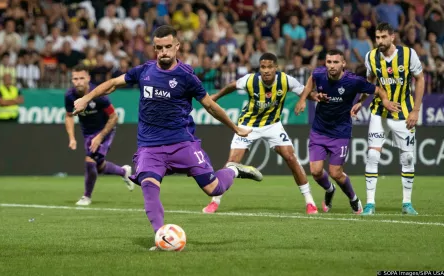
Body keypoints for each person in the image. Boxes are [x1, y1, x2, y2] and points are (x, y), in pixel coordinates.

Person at [72, 25, 263, 249]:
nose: (164, 51)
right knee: (149, 189)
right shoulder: (144, 71)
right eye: (159, 48)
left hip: (182, 143)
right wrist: (87, 98)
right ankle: (162, 238)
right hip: (150, 147)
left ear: (177, 47)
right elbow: (113, 83)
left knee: (214, 189)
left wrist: (235, 128)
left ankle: (233, 169)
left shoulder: (186, 76)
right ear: (154, 48)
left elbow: (210, 106)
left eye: (168, 47)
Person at [202, 52, 322, 215]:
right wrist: (216, 96)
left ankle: (310, 202)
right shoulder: (250, 80)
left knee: (291, 157)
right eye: (263, 67)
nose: (266, 70)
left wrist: (317, 97)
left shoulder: (286, 80)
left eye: (269, 67)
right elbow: (231, 85)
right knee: (231, 163)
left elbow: (305, 92)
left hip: (273, 125)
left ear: (276, 68)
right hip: (248, 125)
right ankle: (214, 202)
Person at [295, 49, 400, 214]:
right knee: (315, 172)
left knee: (336, 173)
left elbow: (378, 90)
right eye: (329, 62)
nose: (331, 66)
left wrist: (385, 101)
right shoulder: (319, 74)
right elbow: (311, 80)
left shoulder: (353, 81)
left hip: (340, 132)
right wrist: (303, 100)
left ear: (343, 64)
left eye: (336, 62)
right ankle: (330, 190)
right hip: (319, 130)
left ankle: (353, 198)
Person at [356, 22, 425, 215]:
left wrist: (416, 110)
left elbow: (420, 79)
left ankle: (407, 203)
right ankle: (370, 203)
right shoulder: (371, 57)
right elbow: (369, 82)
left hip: (404, 113)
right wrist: (360, 101)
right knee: (372, 155)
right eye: (377, 37)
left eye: (383, 37)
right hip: (379, 112)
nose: (379, 41)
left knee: (408, 157)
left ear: (392, 37)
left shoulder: (408, 55)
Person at [64, 64, 134, 206]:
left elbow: (114, 117)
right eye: (75, 78)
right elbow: (69, 116)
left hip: (104, 131)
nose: (78, 81)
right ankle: (123, 172)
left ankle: (86, 196)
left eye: (81, 78)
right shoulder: (70, 96)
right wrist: (71, 138)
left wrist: (100, 137)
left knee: (90, 161)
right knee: (99, 166)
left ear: (88, 78)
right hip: (87, 133)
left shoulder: (98, 95)